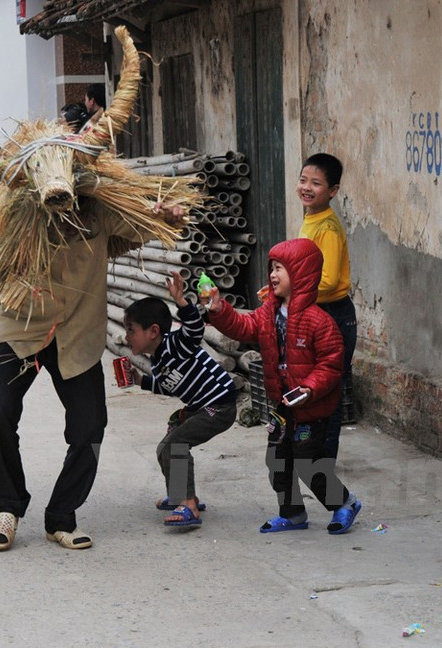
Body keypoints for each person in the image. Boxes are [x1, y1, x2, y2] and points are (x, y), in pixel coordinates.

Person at [0, 199, 188, 551]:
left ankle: (61, 516)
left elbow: (141, 225)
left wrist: (164, 215)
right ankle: (8, 508)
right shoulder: (20, 206)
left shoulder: (100, 209)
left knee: (90, 425)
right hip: (23, 329)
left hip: (78, 334)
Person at [204, 238, 362, 534]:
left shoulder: (320, 322)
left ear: (300, 274)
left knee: (307, 462)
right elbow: (244, 327)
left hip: (311, 408)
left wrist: (310, 389)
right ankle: (292, 514)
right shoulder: (268, 313)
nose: (273, 275)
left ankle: (344, 503)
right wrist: (219, 309)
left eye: (280, 269)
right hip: (282, 406)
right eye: (272, 268)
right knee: (276, 459)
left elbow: (331, 364)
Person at [122, 272, 237, 528]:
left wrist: (181, 302)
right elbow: (168, 386)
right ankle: (182, 495)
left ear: (153, 331)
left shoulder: (176, 344)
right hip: (199, 407)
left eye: (131, 330)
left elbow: (195, 329)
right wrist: (140, 381)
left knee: (177, 443)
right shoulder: (158, 360)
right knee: (166, 447)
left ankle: (189, 506)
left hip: (219, 405)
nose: (127, 336)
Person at [296, 153, 356, 460]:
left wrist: (293, 292)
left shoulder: (328, 228)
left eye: (316, 183)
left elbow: (329, 281)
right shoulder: (310, 218)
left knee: (329, 393)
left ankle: (324, 459)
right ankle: (315, 453)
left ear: (332, 190)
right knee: (314, 389)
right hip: (318, 314)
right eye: (303, 180)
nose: (307, 187)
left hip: (335, 317)